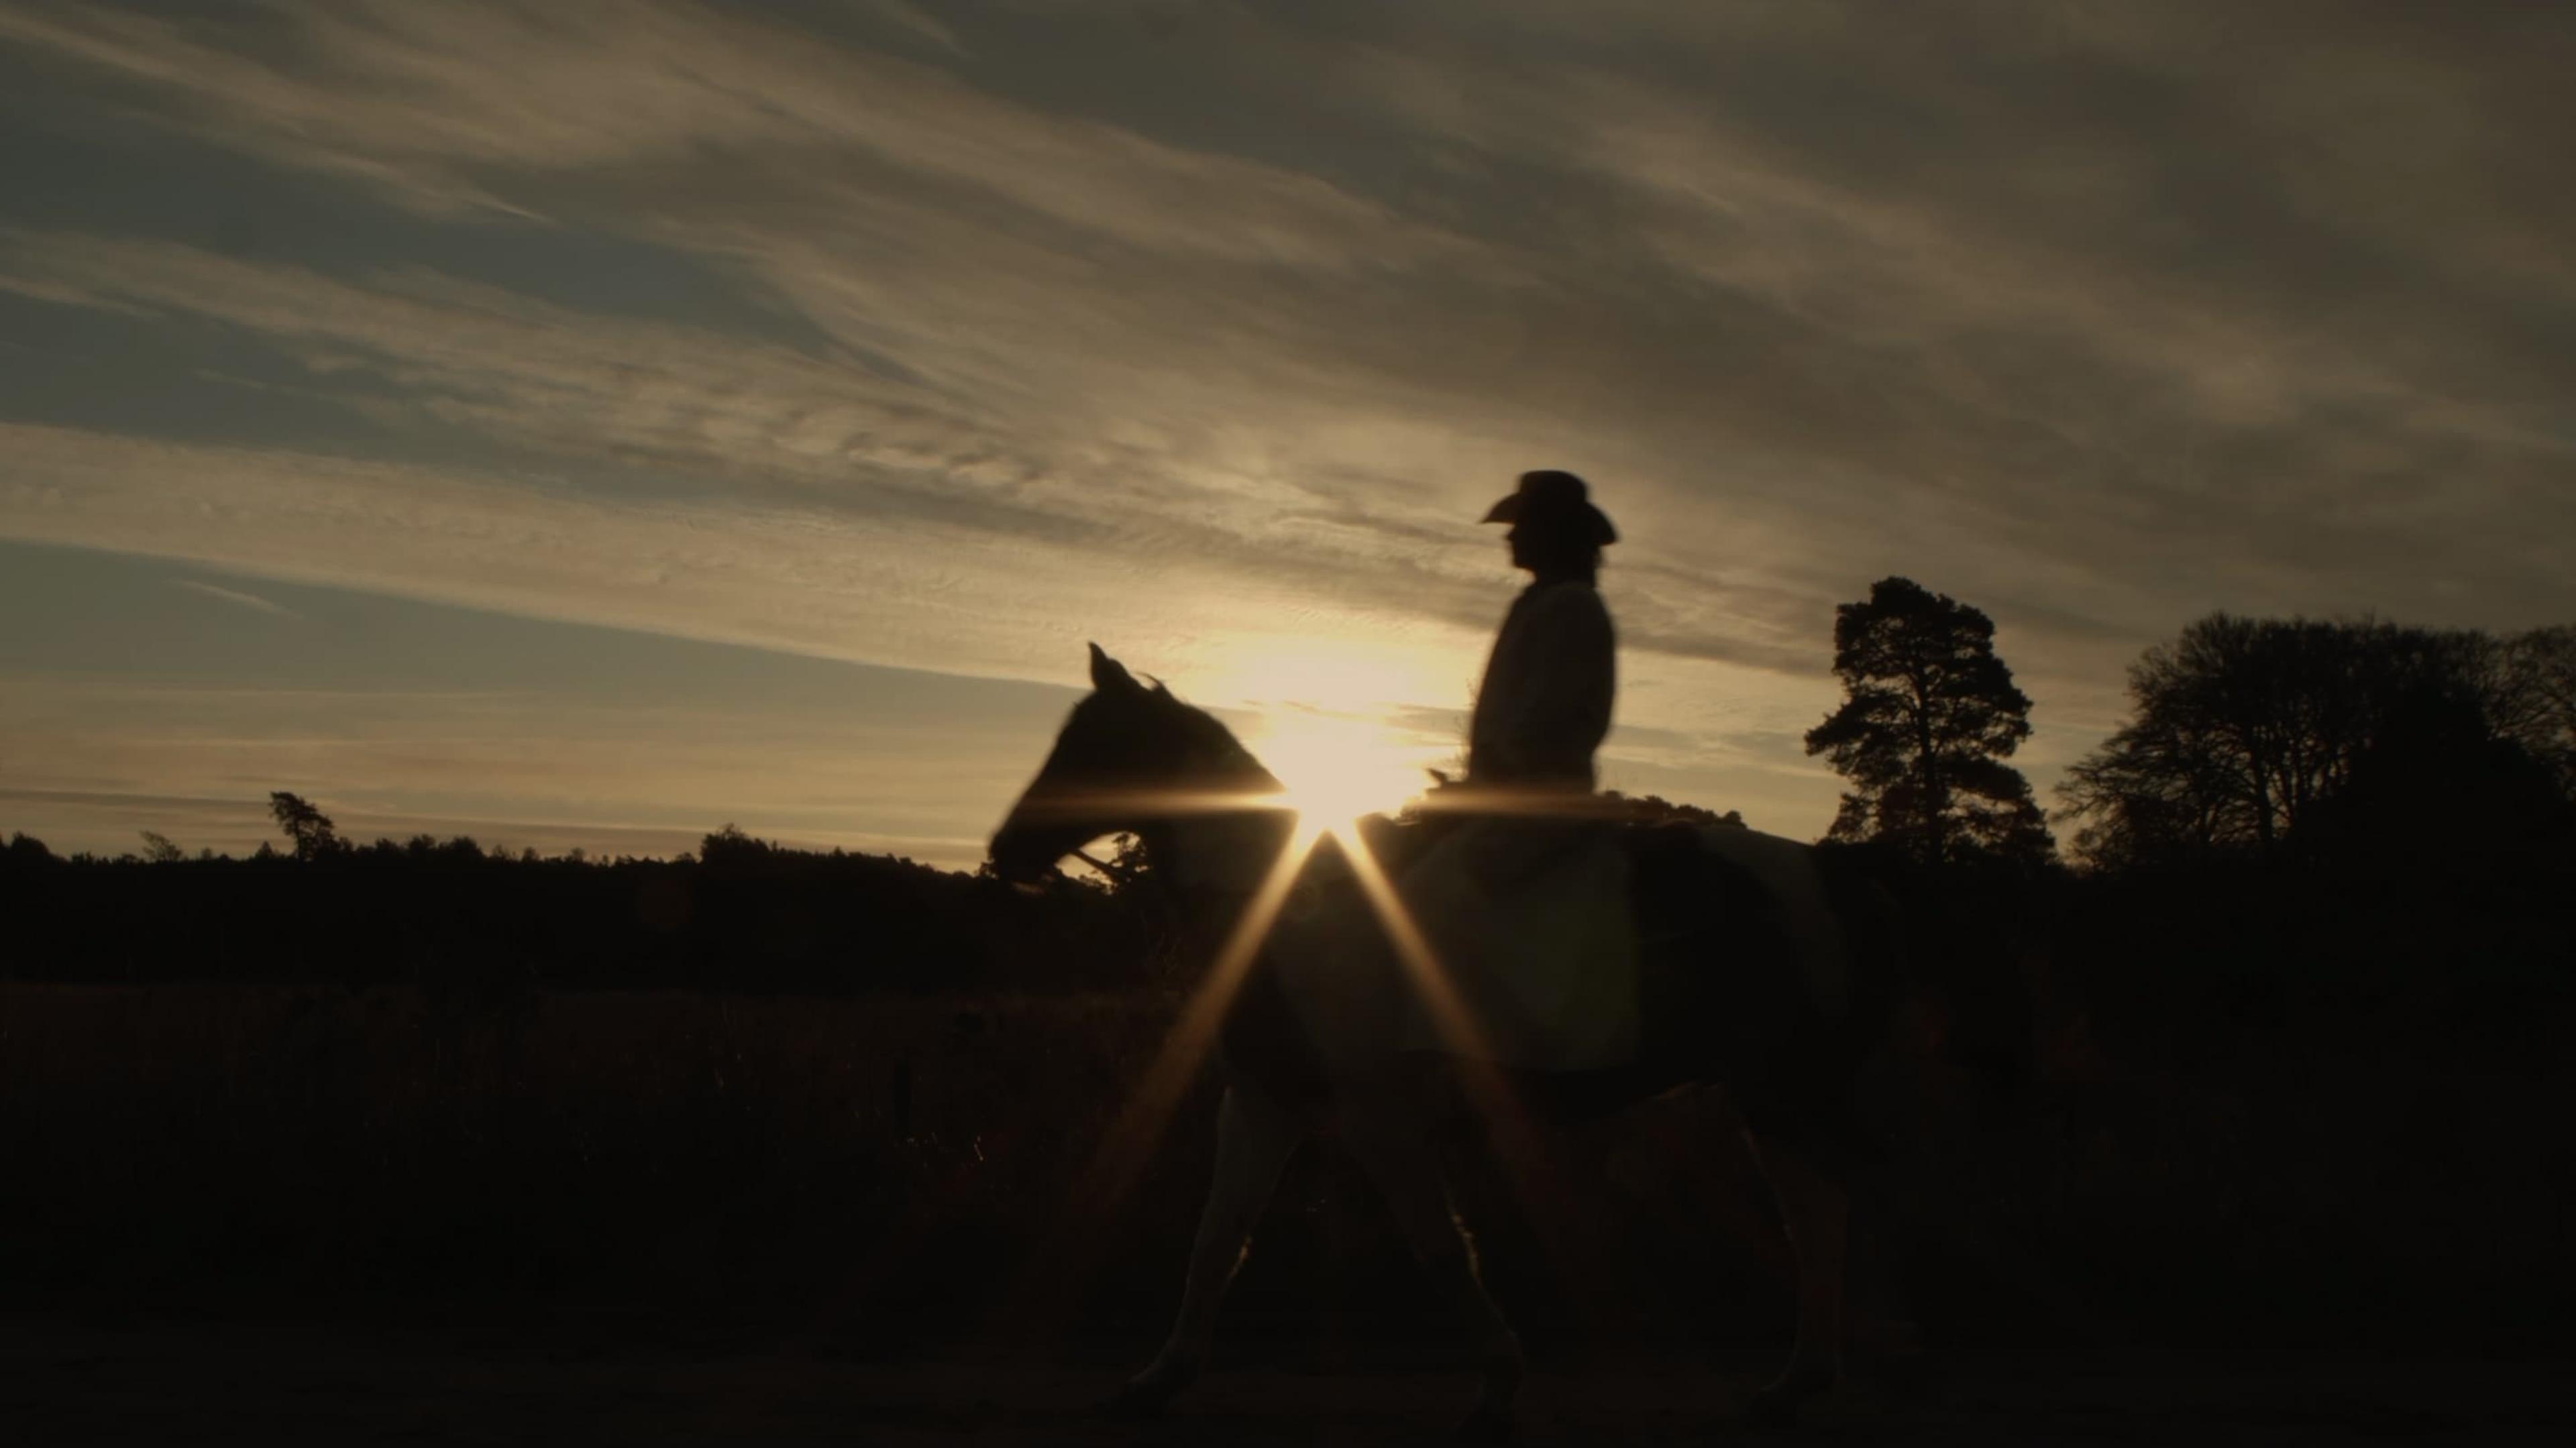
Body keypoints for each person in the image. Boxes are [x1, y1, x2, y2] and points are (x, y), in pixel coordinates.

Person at [1465, 469, 1619, 793]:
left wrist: (1496, 777)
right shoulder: (1542, 602)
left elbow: (1546, 714)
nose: (1510, 537)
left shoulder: (1571, 605)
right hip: (1509, 794)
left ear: (1550, 532)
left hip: (1534, 800)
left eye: (1522, 526)